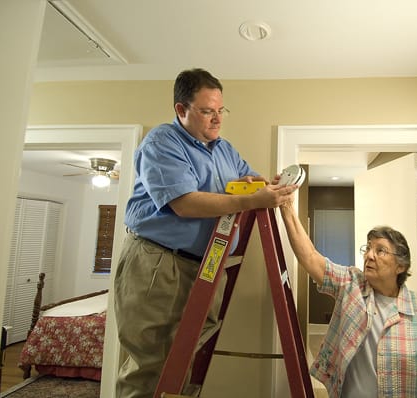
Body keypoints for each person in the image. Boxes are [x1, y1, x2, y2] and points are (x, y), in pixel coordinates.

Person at [113, 68, 297, 398]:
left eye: (220, 110)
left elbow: (249, 179)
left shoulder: (224, 149)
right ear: (181, 110)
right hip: (159, 264)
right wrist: (252, 199)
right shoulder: (162, 142)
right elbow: (183, 203)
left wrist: (270, 185)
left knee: (185, 358)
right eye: (207, 111)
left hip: (208, 265)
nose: (217, 119)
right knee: (150, 365)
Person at [279, 200, 417, 398]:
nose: (369, 255)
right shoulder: (352, 285)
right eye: (368, 248)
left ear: (400, 266)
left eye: (380, 250)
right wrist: (286, 206)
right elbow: (310, 257)